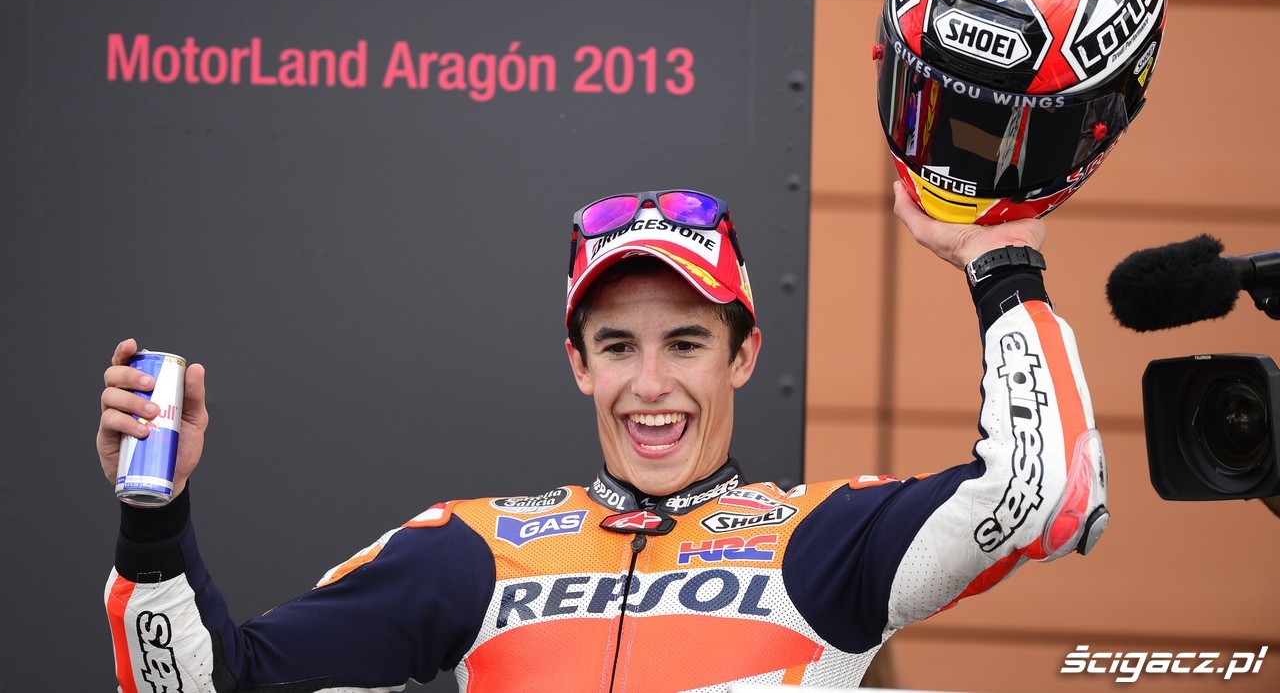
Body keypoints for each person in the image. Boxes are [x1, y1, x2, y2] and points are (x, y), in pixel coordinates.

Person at [99, 183, 1109, 691]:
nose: (650, 386)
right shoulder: (474, 549)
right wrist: (154, 516)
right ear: (579, 364)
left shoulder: (826, 540)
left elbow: (1046, 493)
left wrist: (1002, 267)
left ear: (743, 355)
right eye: (617, 346)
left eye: (686, 343)